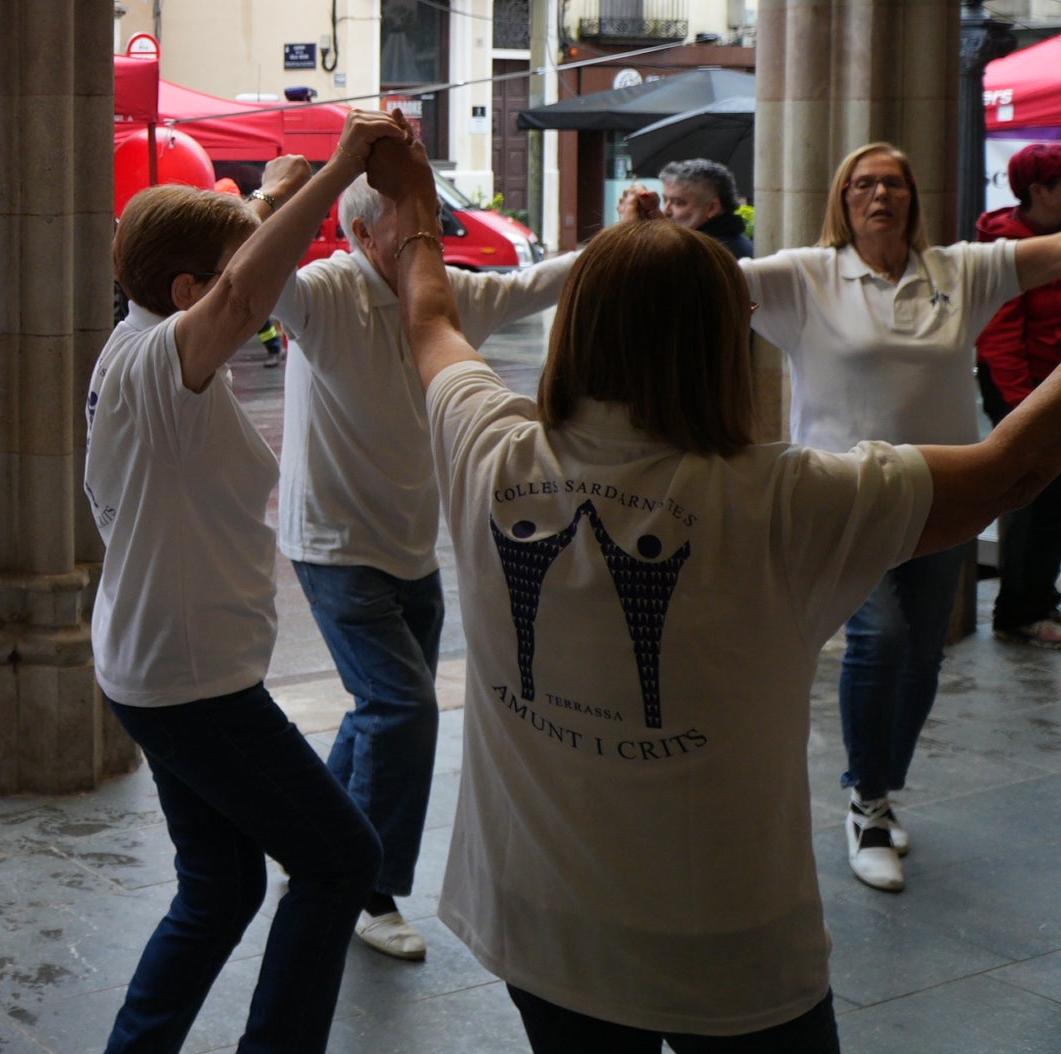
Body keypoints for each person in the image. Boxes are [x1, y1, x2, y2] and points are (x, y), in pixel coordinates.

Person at [372, 130, 1061, 1054]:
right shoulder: (789, 498)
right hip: (727, 949)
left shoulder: (486, 444)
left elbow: (429, 321)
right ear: (722, 342)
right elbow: (1012, 470)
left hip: (534, 920)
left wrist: (416, 207)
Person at [84, 110, 405, 1054]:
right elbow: (238, 295)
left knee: (222, 887)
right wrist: (343, 168)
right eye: (233, 279)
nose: (266, 298)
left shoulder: (141, 348)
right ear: (188, 290)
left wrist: (270, 199)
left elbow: (234, 275)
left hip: (161, 663)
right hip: (191, 682)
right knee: (342, 859)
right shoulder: (160, 360)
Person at [272, 168, 578, 961]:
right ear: (364, 235)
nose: (432, 236)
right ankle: (366, 890)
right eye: (414, 221)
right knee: (402, 707)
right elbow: (256, 273)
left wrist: (630, 238)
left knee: (379, 707)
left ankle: (310, 839)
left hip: (410, 544)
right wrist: (288, 193)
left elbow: (538, 283)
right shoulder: (326, 292)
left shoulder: (448, 295)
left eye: (434, 219)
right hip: (335, 545)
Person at [742, 141, 1061, 889]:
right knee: (879, 639)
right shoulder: (805, 275)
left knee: (922, 652)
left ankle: (883, 790)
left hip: (941, 494)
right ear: (842, 198)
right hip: (845, 497)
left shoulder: (960, 271)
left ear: (914, 197)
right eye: (864, 184)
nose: (880, 195)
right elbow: (699, 280)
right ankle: (867, 802)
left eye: (894, 183)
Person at [975, 141, 1061, 648]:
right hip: (1022, 389)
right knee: (1034, 496)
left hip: (1051, 385)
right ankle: (1019, 612)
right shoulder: (1006, 247)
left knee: (1053, 499)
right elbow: (1000, 337)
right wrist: (1027, 408)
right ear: (1039, 191)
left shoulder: (1052, 236)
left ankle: (1039, 598)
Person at [618, 158, 754, 258]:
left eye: (678, 203)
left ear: (712, 208)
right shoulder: (727, 242)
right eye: (665, 200)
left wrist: (629, 231)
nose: (665, 211)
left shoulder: (704, 254)